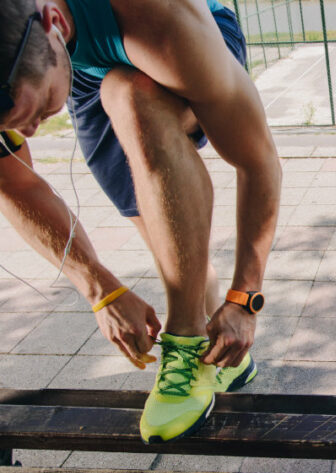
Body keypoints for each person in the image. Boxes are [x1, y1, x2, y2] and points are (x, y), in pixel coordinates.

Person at [0, 0, 282, 444]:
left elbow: (259, 160)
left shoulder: (161, 19)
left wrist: (246, 299)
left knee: (127, 92)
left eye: (31, 114)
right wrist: (100, 290)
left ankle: (185, 342)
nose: (29, 132)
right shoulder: (27, 48)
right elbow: (16, 185)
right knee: (171, 244)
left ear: (54, 21)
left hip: (178, 41)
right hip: (84, 77)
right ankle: (225, 360)